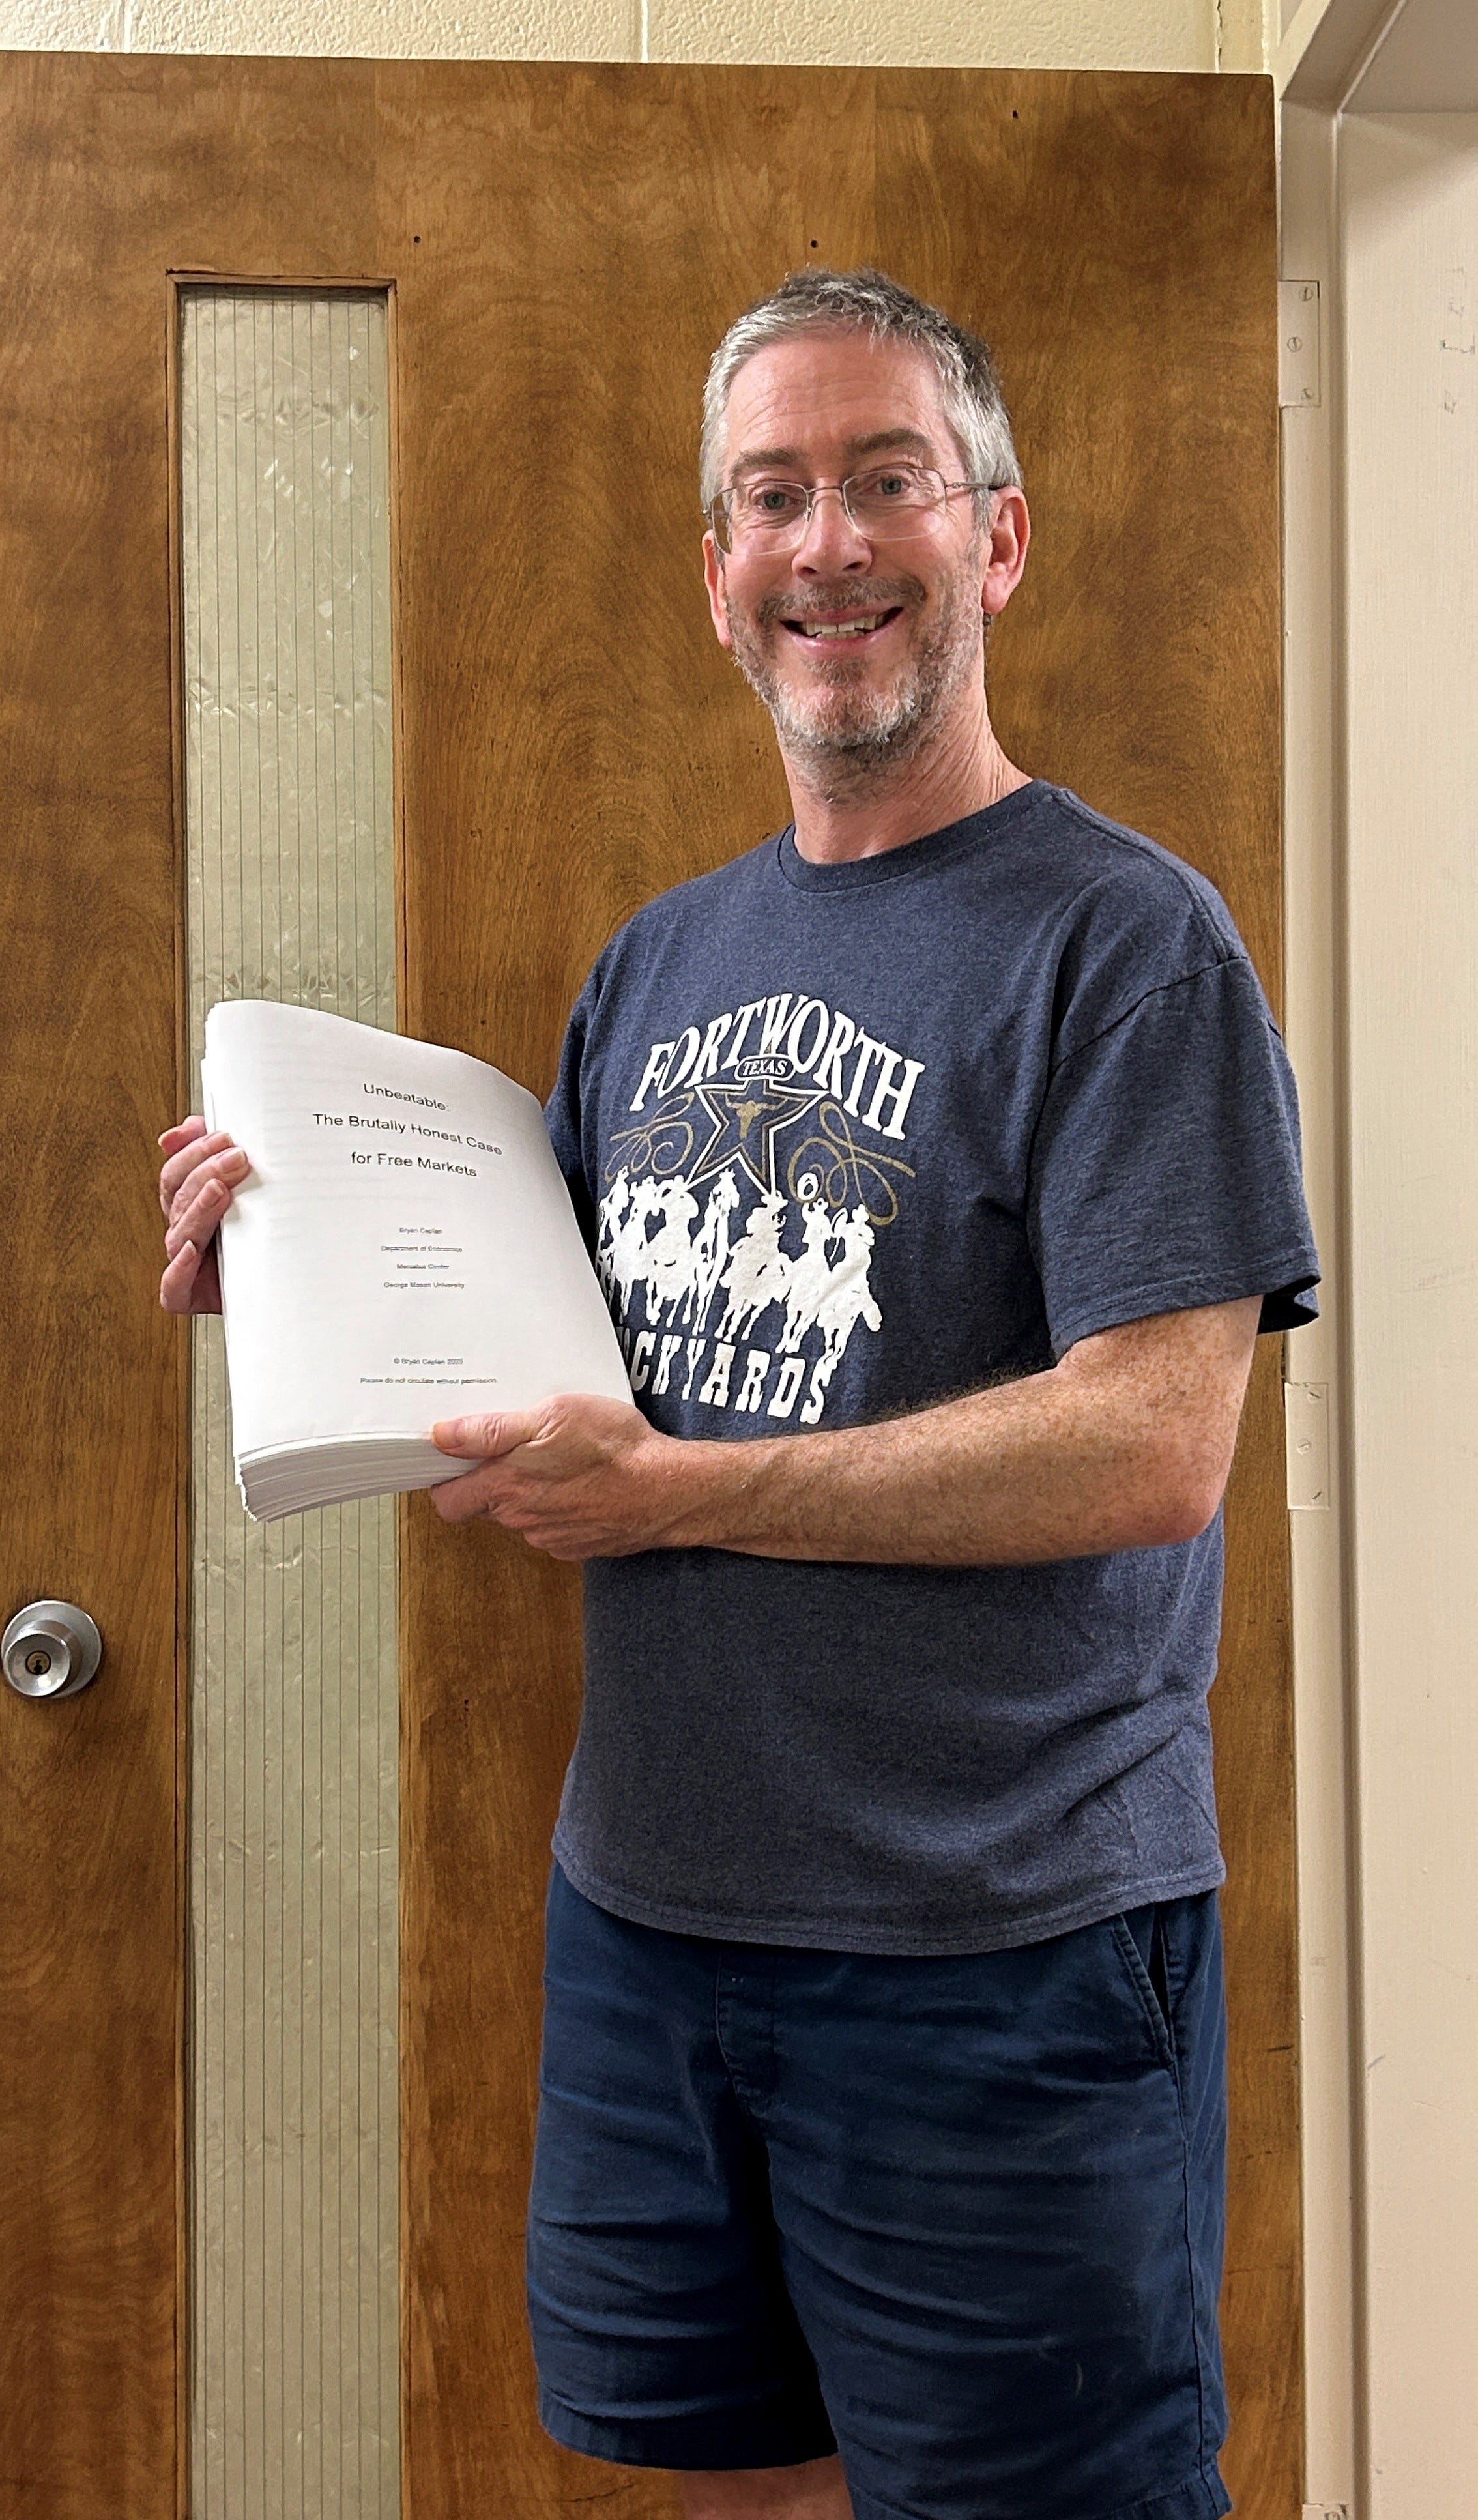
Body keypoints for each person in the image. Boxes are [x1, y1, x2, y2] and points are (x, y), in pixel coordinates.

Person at [160, 269, 1319, 2520]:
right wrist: (289, 1277)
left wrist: (680, 1492)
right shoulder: (659, 961)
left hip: (997, 1957)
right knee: (726, 2491)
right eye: (772, 497)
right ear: (717, 575)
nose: (828, 544)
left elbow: (1151, 1445)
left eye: (888, 479)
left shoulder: (1123, 942)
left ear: (994, 536)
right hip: (654, 1927)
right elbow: (552, 1382)